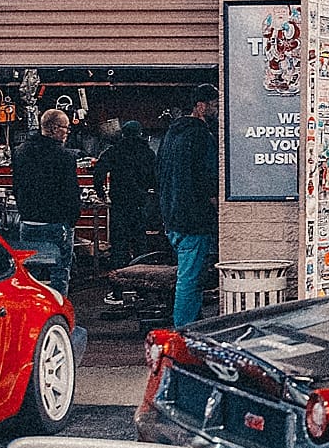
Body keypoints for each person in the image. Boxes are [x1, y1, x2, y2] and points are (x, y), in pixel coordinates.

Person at [157, 86, 219, 327]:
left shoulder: (171, 135)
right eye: (214, 105)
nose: (217, 110)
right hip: (193, 217)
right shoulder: (202, 136)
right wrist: (215, 205)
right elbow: (208, 178)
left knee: (189, 275)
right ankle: (184, 330)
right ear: (201, 107)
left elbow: (158, 171)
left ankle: (193, 322)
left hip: (171, 214)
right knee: (190, 278)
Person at [13, 108, 81, 294]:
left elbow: (16, 186)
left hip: (28, 223)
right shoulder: (65, 156)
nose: (67, 132)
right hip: (56, 224)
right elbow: (71, 192)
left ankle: (31, 309)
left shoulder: (20, 152)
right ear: (54, 128)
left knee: (29, 275)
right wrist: (72, 220)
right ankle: (58, 309)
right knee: (59, 273)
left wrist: (24, 211)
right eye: (66, 128)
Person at [96, 118, 159, 269]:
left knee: (119, 240)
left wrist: (100, 191)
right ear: (140, 134)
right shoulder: (148, 153)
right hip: (140, 202)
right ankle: (140, 272)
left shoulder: (114, 151)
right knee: (140, 239)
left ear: (123, 134)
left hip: (119, 202)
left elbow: (98, 171)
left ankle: (119, 273)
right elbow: (155, 177)